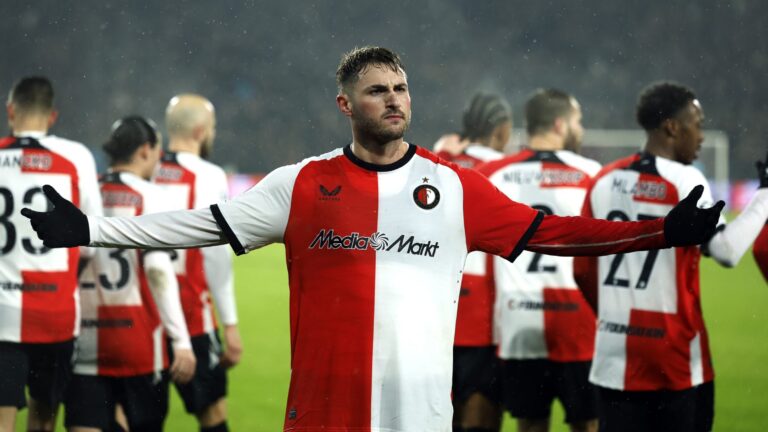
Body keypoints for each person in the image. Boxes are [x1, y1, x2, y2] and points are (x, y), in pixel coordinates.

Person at [22, 47, 724, 432]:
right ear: (346, 105)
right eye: (378, 90)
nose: (394, 98)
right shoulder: (300, 185)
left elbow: (555, 233)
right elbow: (199, 225)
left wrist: (660, 231)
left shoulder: (453, 188)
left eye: (401, 88)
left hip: (419, 414)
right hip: (322, 414)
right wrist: (88, 228)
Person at [574, 82, 768, 432]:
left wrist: (613, 317)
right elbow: (725, 251)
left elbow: (581, 270)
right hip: (673, 354)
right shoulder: (685, 179)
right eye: (697, 123)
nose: (702, 136)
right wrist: (765, 196)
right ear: (672, 128)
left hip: (613, 353)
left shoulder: (603, 179)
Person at [63, 116, 196, 432]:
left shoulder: (85, 193)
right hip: (138, 343)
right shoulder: (155, 197)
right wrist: (181, 340)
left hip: (85, 340)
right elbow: (158, 271)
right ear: (146, 150)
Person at [478, 89, 599, 432]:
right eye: (578, 121)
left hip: (518, 321)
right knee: (589, 423)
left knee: (530, 424)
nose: (581, 129)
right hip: (580, 321)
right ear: (560, 124)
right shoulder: (592, 174)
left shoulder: (492, 174)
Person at [0, 76, 102, 432]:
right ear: (53, 115)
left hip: (1, 315)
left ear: (10, 110)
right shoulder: (75, 157)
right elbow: (93, 236)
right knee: (43, 422)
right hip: (55, 313)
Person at [153, 94, 241, 432]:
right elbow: (216, 254)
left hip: (142, 317)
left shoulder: (144, 168)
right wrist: (230, 325)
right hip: (190, 314)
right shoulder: (208, 174)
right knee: (212, 414)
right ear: (201, 131)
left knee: (137, 417)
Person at [434, 93, 511, 432]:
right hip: (483, 307)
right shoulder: (504, 169)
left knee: (440, 408)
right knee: (481, 408)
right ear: (501, 130)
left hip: (438, 303)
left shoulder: (438, 163)